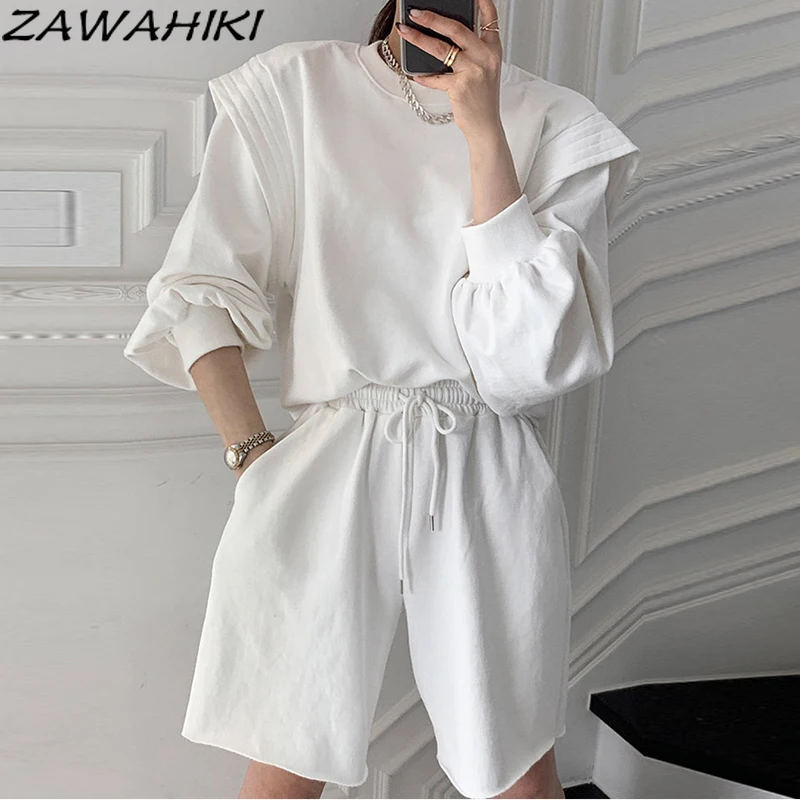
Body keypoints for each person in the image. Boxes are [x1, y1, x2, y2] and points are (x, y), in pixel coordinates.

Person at [123, 0, 641, 797]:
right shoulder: (296, 89)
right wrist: (252, 455)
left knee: (517, 772)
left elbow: (524, 362)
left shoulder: (560, 124)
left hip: (485, 460)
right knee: (285, 763)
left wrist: (484, 131)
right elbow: (197, 291)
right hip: (329, 458)